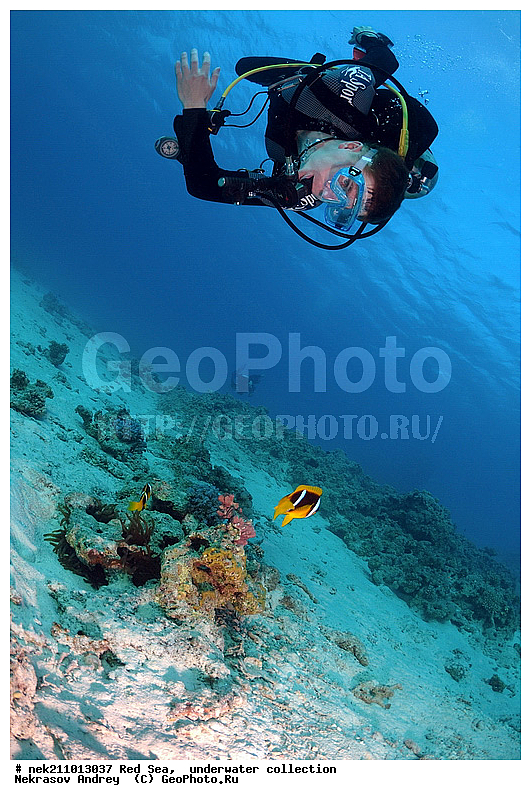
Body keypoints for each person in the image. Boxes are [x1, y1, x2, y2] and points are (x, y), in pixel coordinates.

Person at [160, 26, 439, 238]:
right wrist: (368, 41)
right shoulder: (348, 94)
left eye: (339, 206)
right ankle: (415, 168)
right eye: (344, 185)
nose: (324, 193)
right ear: (351, 148)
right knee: (246, 67)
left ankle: (407, 183)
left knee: (249, 69)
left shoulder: (299, 195)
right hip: (341, 103)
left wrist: (194, 108)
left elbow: (204, 185)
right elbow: (384, 63)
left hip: (298, 109)